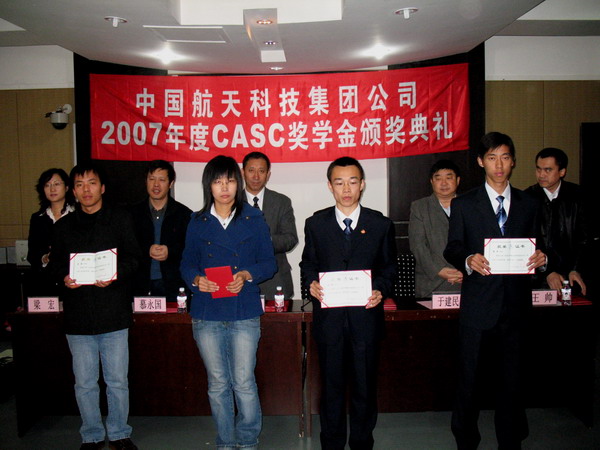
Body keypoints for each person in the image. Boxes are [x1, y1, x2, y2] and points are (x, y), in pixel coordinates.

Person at [444, 132, 547, 450]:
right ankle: (465, 441)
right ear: (480, 162)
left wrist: (543, 259)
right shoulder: (464, 204)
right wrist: (468, 259)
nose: (499, 165)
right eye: (492, 158)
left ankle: (511, 440)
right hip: (478, 307)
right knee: (469, 381)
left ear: (513, 161)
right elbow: (453, 247)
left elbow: (544, 244)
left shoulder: (530, 203)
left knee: (512, 382)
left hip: (516, 307)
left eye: (504, 157)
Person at [300, 156, 397, 450]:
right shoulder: (316, 224)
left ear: (362, 184)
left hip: (365, 320)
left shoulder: (380, 224)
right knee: (330, 391)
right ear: (330, 186)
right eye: (339, 182)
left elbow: (389, 269)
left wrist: (380, 289)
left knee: (364, 390)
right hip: (330, 322)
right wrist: (311, 283)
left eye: (352, 182)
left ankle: (362, 443)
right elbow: (308, 264)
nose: (346, 189)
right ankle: (331, 444)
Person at [180, 155, 276, 450]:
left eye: (230, 180)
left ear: (238, 184)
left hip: (243, 311)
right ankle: (225, 440)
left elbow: (269, 263)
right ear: (208, 185)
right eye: (218, 181)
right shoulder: (197, 221)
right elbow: (186, 264)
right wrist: (197, 280)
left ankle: (247, 440)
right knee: (218, 383)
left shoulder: (254, 219)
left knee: (243, 381)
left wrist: (246, 274)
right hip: (207, 312)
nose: (224, 187)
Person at [49, 162, 140, 450]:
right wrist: (64, 277)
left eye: (91, 183)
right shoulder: (63, 227)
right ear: (73, 191)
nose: (85, 189)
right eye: (79, 184)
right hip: (78, 316)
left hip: (113, 312)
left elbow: (134, 259)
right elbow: (55, 265)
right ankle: (91, 435)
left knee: (117, 381)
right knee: (85, 383)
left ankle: (119, 433)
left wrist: (115, 273)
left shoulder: (120, 219)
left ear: (102, 188)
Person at [525, 147, 589, 296]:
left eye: (548, 170)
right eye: (538, 169)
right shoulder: (527, 198)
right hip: (538, 277)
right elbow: (526, 240)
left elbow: (585, 238)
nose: (541, 175)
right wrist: (547, 271)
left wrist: (576, 269)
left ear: (562, 172)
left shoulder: (578, 196)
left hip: (572, 274)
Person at [131, 160, 192, 302]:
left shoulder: (185, 215)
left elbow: (190, 250)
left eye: (162, 180)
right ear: (146, 181)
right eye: (151, 179)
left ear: (170, 183)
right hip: (140, 285)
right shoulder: (132, 214)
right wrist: (146, 249)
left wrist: (170, 251)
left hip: (173, 286)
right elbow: (126, 247)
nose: (156, 185)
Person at [242, 151, 298, 299]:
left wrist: (264, 241)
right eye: (251, 170)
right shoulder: (232, 202)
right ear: (243, 172)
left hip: (276, 280)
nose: (256, 176)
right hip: (241, 281)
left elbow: (291, 239)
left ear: (268, 175)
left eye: (261, 171)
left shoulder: (281, 202)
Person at [409, 160, 463, 298]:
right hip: (432, 283)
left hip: (465, 280)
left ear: (457, 180)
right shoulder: (420, 207)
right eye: (438, 178)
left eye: (449, 177)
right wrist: (439, 270)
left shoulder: (470, 206)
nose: (443, 183)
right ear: (432, 181)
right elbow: (418, 245)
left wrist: (466, 270)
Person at [27, 168, 75, 295]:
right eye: (47, 185)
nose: (52, 189)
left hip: (73, 281)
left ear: (67, 187)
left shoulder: (78, 215)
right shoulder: (37, 218)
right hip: (46, 282)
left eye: (56, 184)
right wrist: (45, 258)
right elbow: (32, 253)